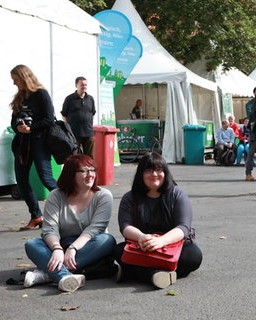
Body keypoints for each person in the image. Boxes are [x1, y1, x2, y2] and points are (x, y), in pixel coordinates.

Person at [23, 154, 116, 292]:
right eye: (84, 171)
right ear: (71, 174)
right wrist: (57, 249)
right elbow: (50, 229)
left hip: (88, 246)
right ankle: (63, 276)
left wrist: (73, 248)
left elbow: (95, 229)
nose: (90, 175)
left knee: (107, 240)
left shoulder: (103, 196)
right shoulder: (56, 196)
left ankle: (49, 273)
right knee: (32, 244)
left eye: (93, 170)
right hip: (61, 244)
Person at [113, 152, 203, 289]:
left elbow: (184, 227)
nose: (154, 174)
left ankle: (135, 272)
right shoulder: (129, 198)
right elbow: (125, 226)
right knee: (118, 251)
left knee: (193, 256)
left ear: (165, 173)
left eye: (159, 170)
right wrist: (142, 237)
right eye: (149, 170)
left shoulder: (177, 194)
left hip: (171, 246)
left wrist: (161, 241)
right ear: (140, 174)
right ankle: (157, 275)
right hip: (143, 246)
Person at [10, 64, 58, 230]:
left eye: (16, 80)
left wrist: (31, 128)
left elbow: (49, 119)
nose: (14, 83)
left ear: (24, 78)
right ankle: (36, 215)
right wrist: (19, 127)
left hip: (39, 141)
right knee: (21, 180)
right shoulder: (19, 97)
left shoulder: (41, 94)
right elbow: (13, 120)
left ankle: (73, 207)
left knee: (47, 179)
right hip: (23, 143)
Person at [61, 76, 96, 158]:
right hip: (74, 134)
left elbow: (93, 114)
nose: (84, 87)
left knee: (90, 157)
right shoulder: (69, 99)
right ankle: (76, 171)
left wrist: (88, 125)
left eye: (85, 85)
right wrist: (69, 129)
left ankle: (88, 171)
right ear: (76, 85)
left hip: (89, 134)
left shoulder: (90, 99)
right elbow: (64, 115)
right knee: (74, 157)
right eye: (82, 85)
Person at [244, 86, 256, 181]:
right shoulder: (249, 104)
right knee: (251, 152)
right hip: (254, 130)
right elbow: (251, 116)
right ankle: (248, 172)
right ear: (254, 93)